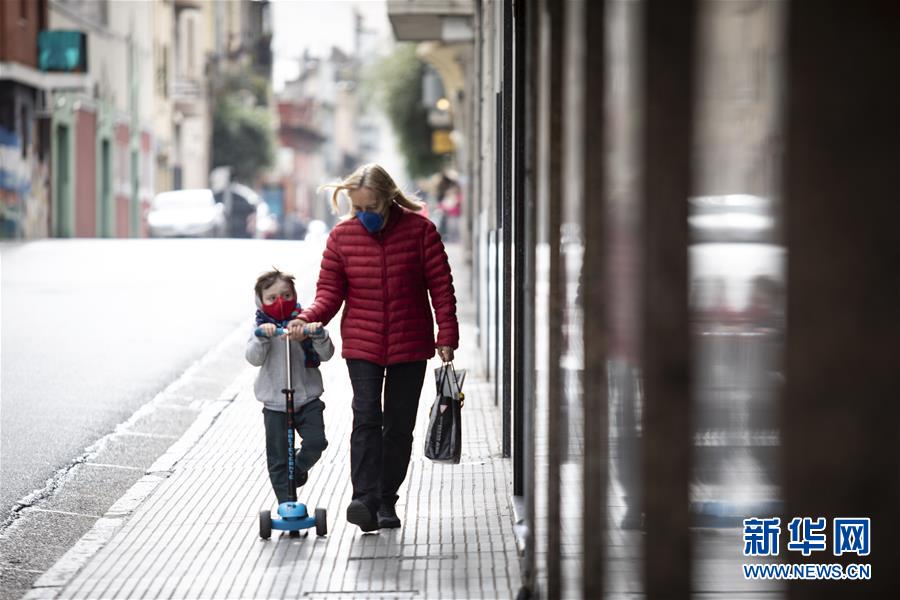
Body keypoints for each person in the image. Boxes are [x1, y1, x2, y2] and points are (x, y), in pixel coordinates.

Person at [287, 163, 459, 532]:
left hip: (411, 344)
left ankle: (386, 501)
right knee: (366, 417)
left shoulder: (421, 232)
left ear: (389, 199)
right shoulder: (342, 237)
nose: (364, 216)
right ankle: (363, 499)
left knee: (398, 426)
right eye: (358, 209)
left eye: (371, 208)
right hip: (363, 344)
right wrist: (308, 317)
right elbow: (330, 293)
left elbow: (441, 289)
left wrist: (447, 335)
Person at [246, 269, 334, 506]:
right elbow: (253, 358)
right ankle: (287, 504)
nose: (280, 302)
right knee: (277, 458)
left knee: (317, 442)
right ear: (261, 302)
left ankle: (297, 468)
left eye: (286, 295)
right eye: (272, 298)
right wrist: (262, 337)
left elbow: (327, 355)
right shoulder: (261, 327)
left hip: (307, 399)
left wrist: (317, 334)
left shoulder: (302, 323)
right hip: (275, 403)